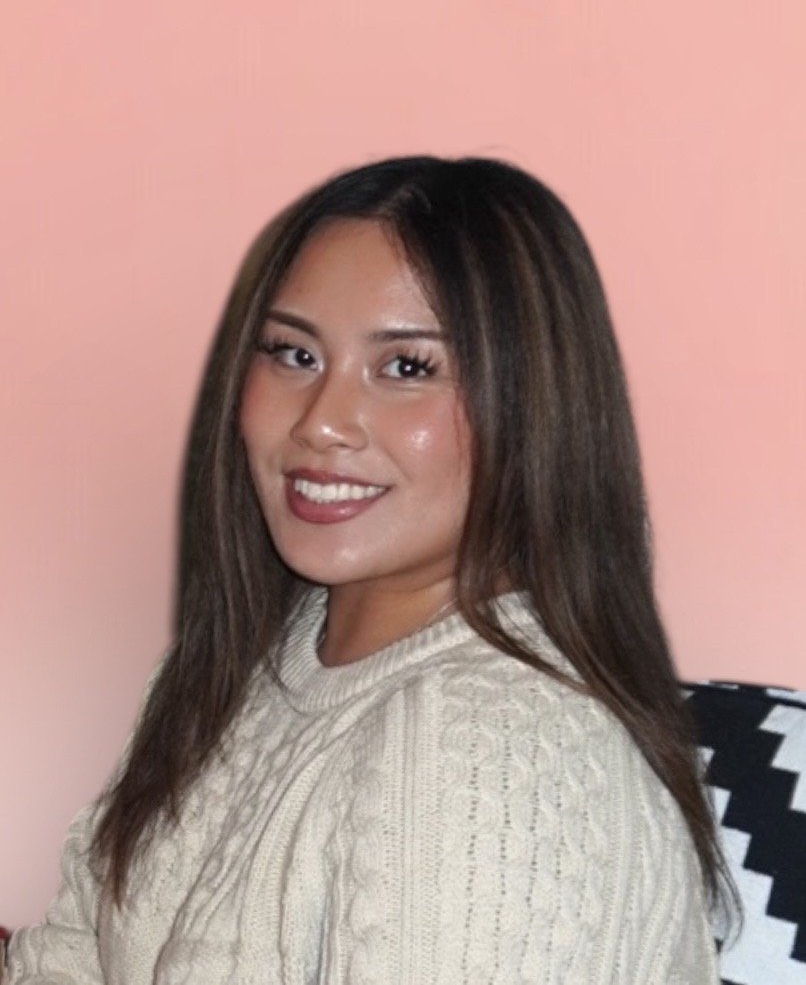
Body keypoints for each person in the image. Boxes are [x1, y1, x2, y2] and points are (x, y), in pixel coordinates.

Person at [5, 156, 729, 984]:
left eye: (408, 367)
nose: (322, 424)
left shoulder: (483, 744)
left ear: (532, 407)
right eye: (293, 354)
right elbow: (69, 958)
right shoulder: (240, 664)